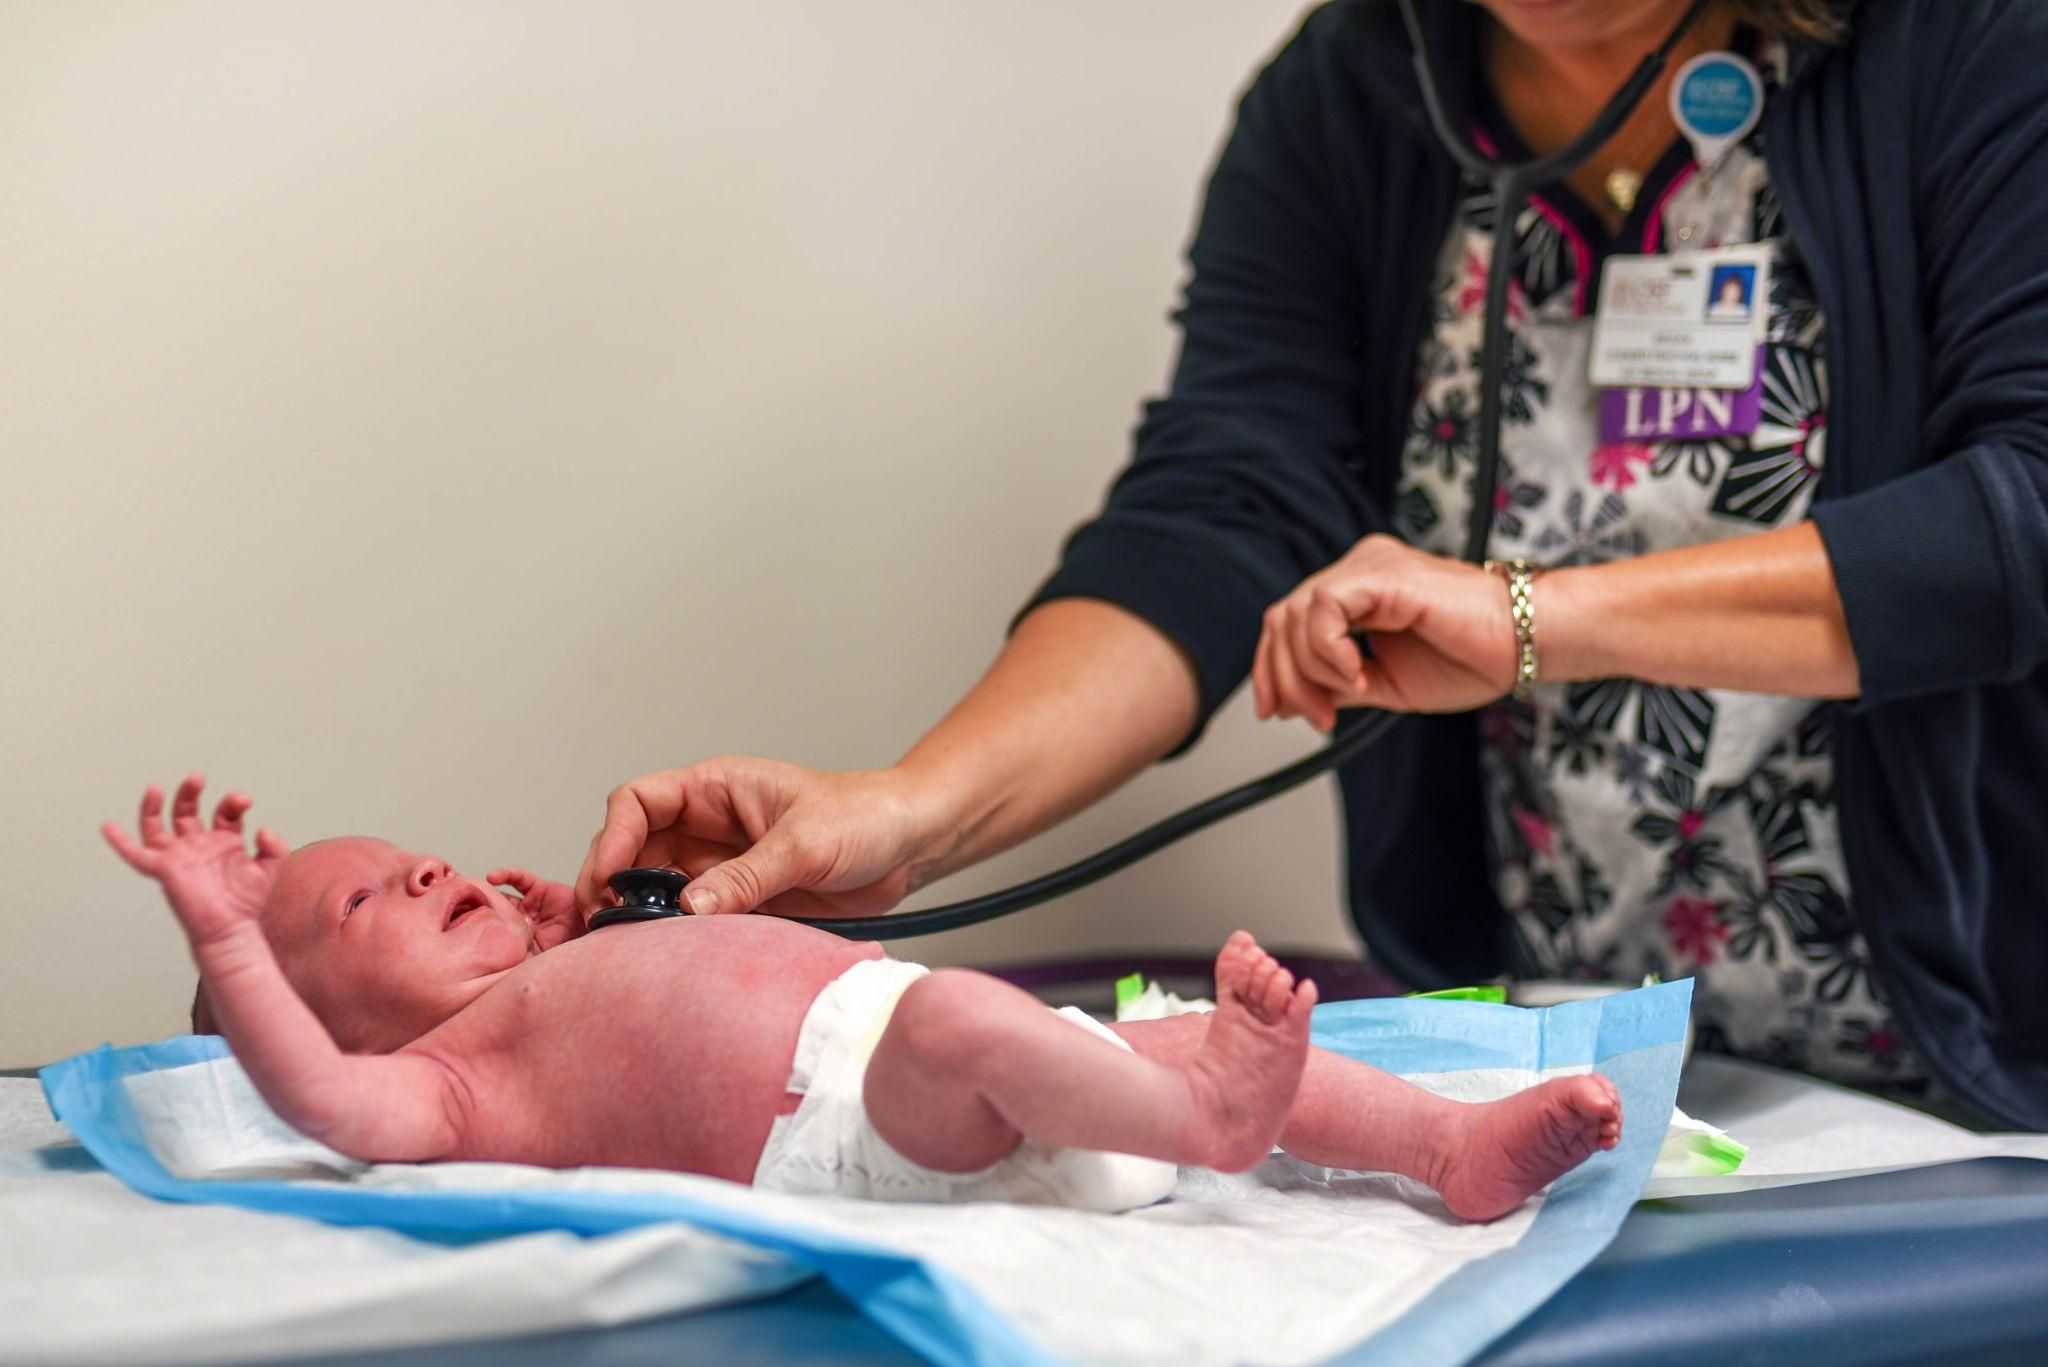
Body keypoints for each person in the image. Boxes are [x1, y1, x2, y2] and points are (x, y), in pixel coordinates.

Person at [578, 0, 2048, 1131]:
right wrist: (914, 814)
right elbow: (1219, 510)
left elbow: (2023, 517)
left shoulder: (1976, 45)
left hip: (1991, 1057)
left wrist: (1536, 619)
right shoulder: (1353, 94)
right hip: (1595, 1071)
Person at [107, 776, 1623, 1220]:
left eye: (415, 845)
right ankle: (1218, 1117)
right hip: (872, 1122)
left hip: (1001, 1074)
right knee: (968, 1019)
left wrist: (574, 931)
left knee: (1080, 1034)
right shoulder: (434, 1088)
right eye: (366, 901)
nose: (429, 862)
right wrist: (228, 942)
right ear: (320, 1019)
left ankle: (1448, 1149)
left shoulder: (551, 972)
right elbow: (311, 1097)